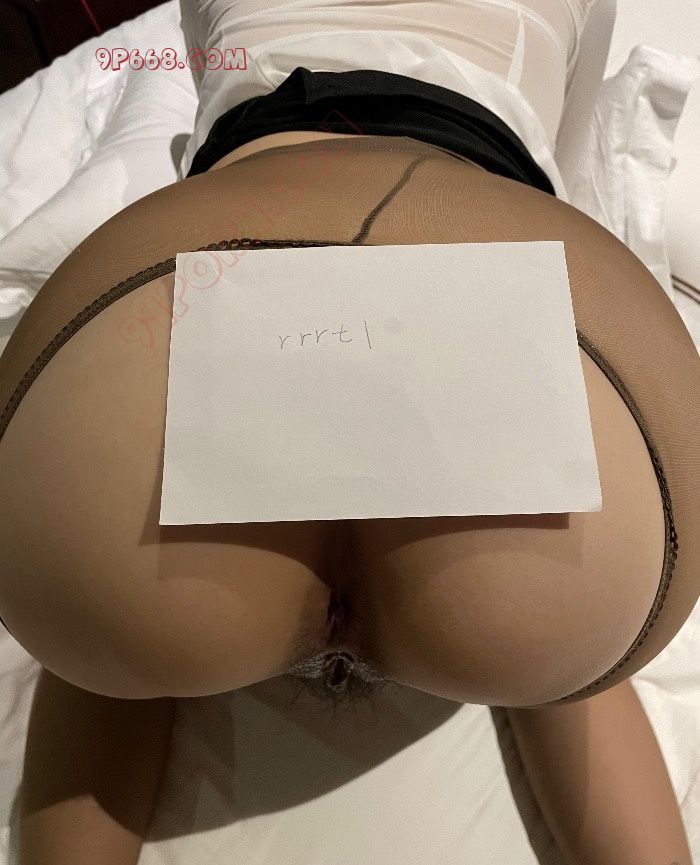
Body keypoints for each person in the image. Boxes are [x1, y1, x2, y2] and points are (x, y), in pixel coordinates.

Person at [0, 0, 697, 862]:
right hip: (476, 213)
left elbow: (215, 78)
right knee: (563, 653)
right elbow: (571, 155)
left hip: (231, 221)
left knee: (109, 643)